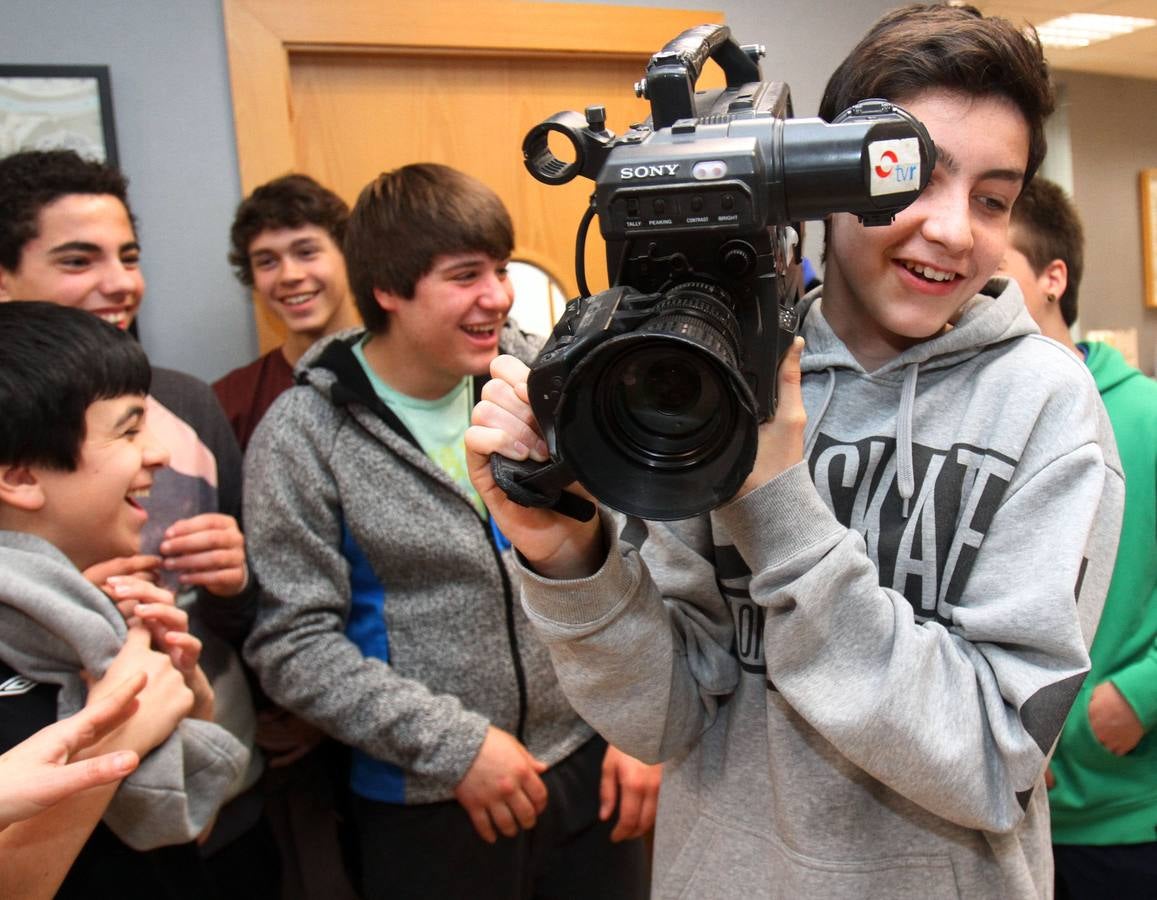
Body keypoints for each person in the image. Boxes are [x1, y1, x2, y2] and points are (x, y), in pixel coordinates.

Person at [466, 4, 1125, 897]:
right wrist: (567, 553)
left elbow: (991, 756)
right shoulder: (703, 377)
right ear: (818, 179)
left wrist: (776, 500)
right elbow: (660, 721)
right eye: (907, 177)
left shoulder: (1044, 405)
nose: (952, 229)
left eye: (992, 200)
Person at [243, 162, 660, 899]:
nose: (498, 295)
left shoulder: (543, 379)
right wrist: (457, 747)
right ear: (388, 289)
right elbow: (292, 644)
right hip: (431, 797)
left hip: (591, 762)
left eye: (499, 268)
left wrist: (642, 721)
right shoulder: (303, 434)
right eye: (466, 276)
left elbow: (637, 542)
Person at [0, 149, 274, 895]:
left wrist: (185, 681)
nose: (119, 282)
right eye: (78, 258)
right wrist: (123, 726)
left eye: (128, 256)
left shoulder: (188, 404)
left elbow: (179, 813)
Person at [1001, 178, 1157, 899]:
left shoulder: (1147, 415)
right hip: (995, 819)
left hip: (1123, 820)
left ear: (1052, 279)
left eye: (996, 271)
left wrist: (1141, 695)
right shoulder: (976, 423)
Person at [215, 173, 359, 451]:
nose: (289, 275)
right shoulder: (230, 403)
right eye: (267, 261)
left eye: (306, 252)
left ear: (347, 254)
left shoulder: (410, 376)